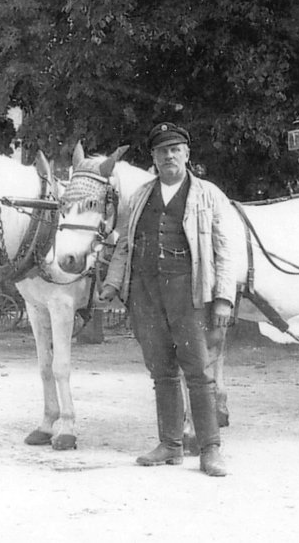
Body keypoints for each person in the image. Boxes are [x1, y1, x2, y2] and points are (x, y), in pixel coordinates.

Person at [100, 122, 238, 476]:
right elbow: (125, 244)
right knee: (161, 369)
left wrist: (223, 298)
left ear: (187, 155)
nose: (169, 156)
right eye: (162, 151)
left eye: (176, 149)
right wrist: (112, 285)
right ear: (154, 158)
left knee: (198, 370)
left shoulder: (208, 195)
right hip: (146, 294)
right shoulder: (141, 196)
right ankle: (170, 445)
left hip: (189, 293)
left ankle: (210, 449)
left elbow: (225, 251)